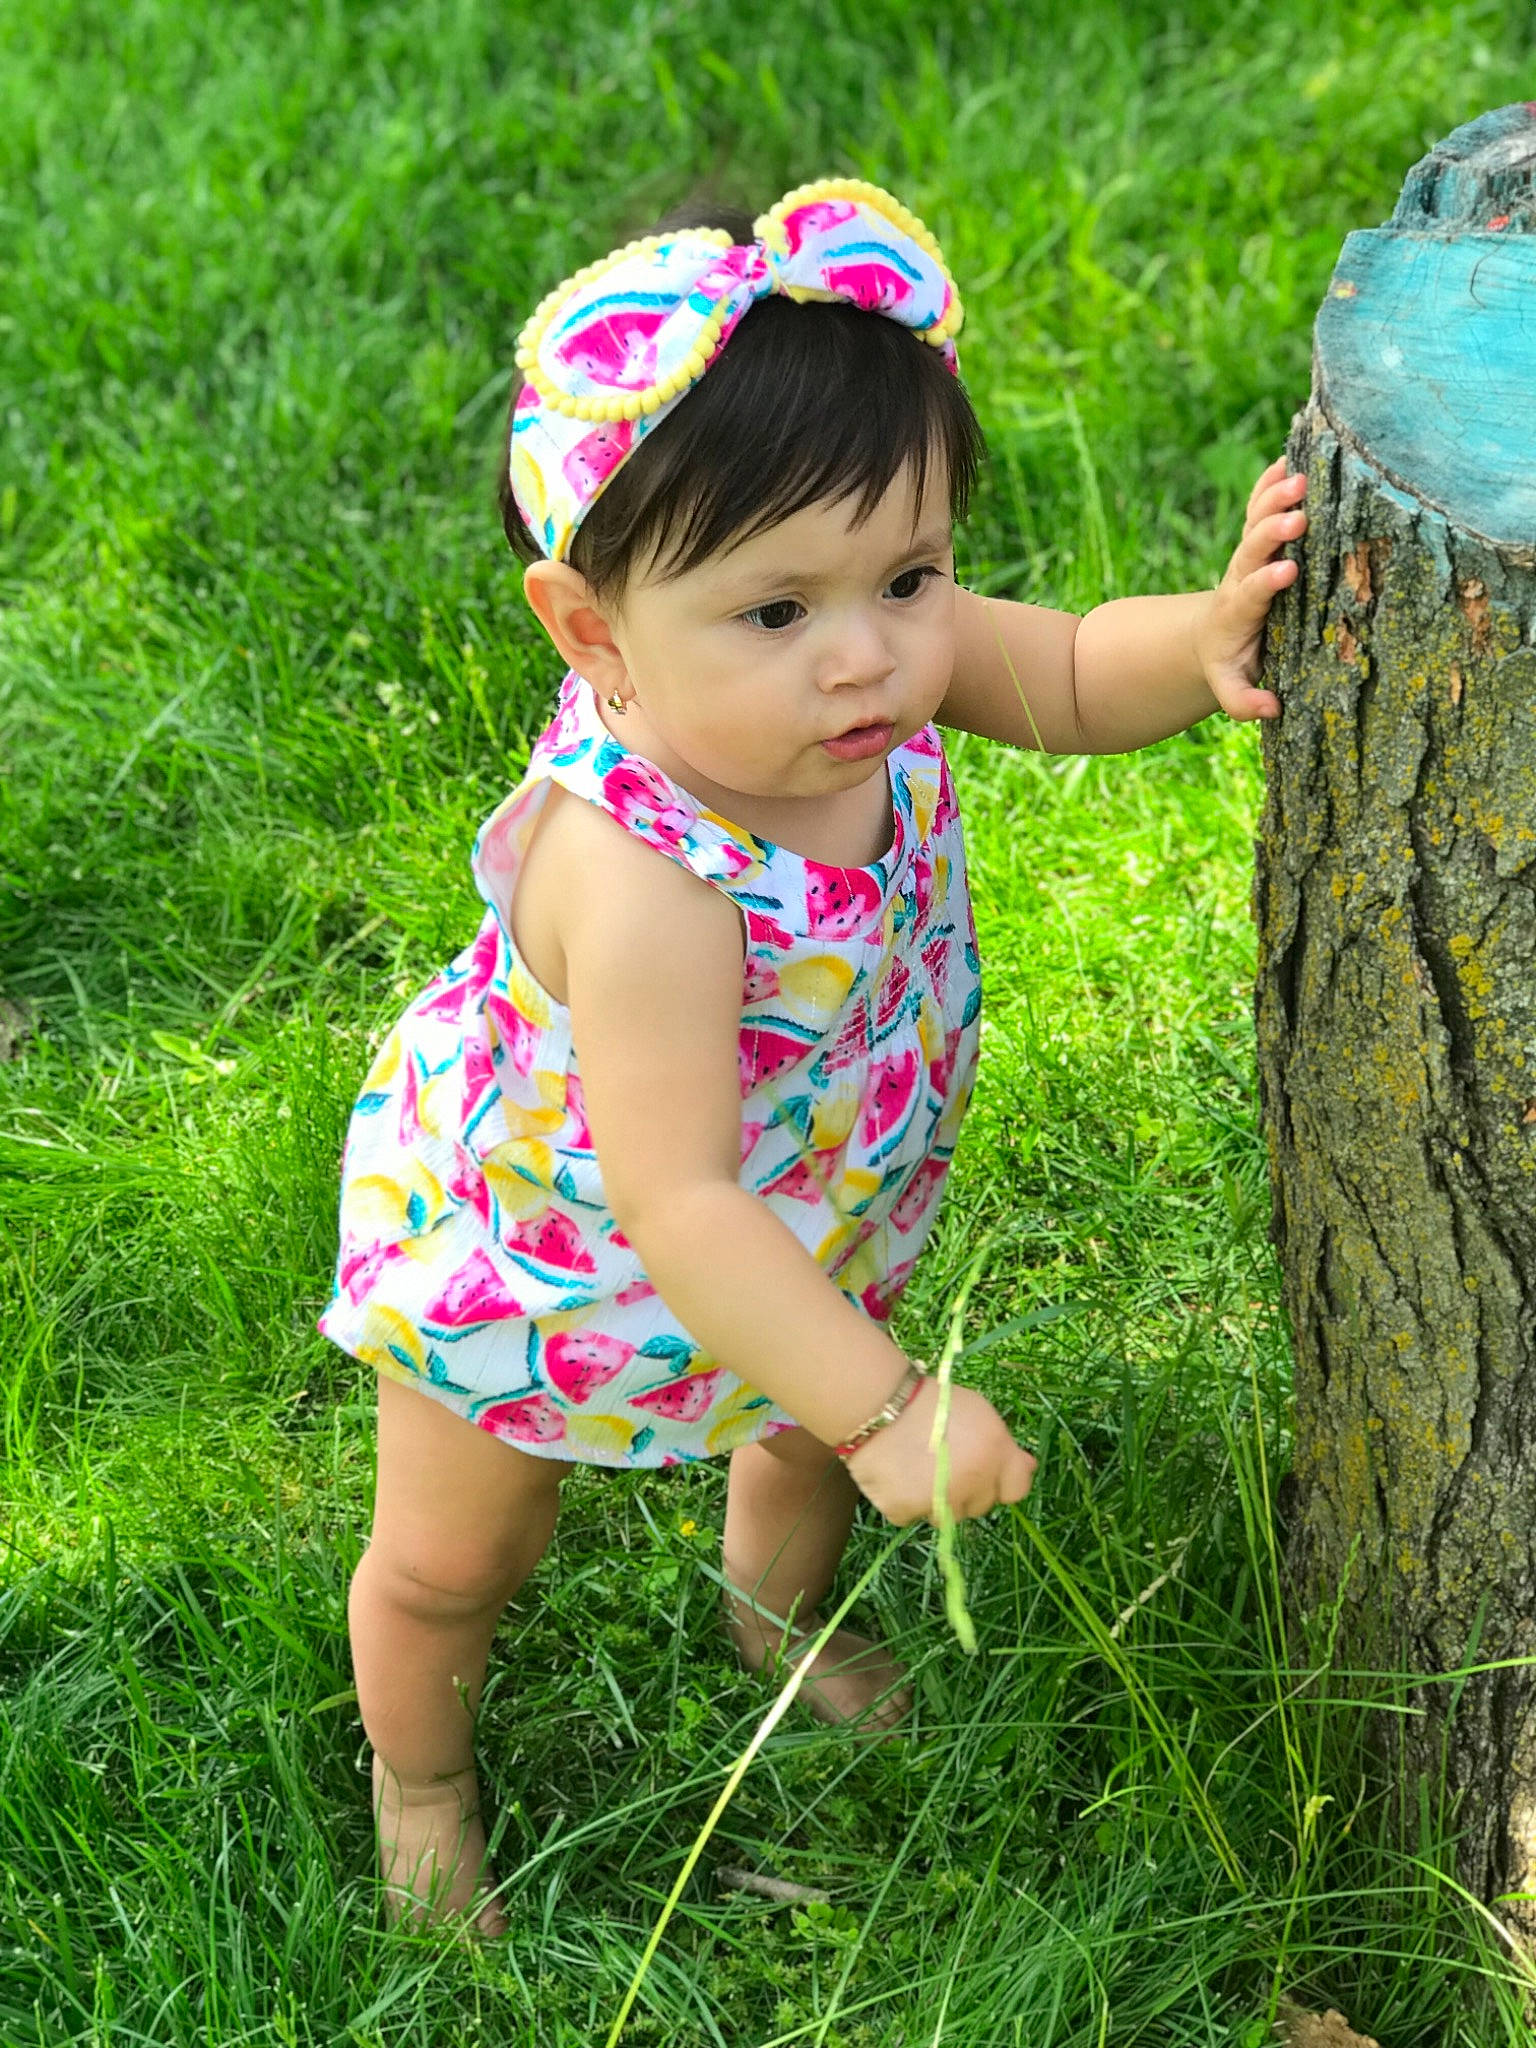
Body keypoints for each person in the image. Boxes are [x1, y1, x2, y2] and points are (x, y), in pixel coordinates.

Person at [317, 177, 1307, 1937]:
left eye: (909, 574)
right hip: (556, 1247)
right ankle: (422, 1773)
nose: (868, 653)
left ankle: (774, 1618)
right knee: (461, 1555)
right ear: (593, 632)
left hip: (809, 1186)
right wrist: (893, 1409)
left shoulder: (871, 670)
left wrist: (1207, 632)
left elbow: (1074, 673)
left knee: (792, 1424)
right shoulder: (640, 882)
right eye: (776, 612)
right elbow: (675, 1201)